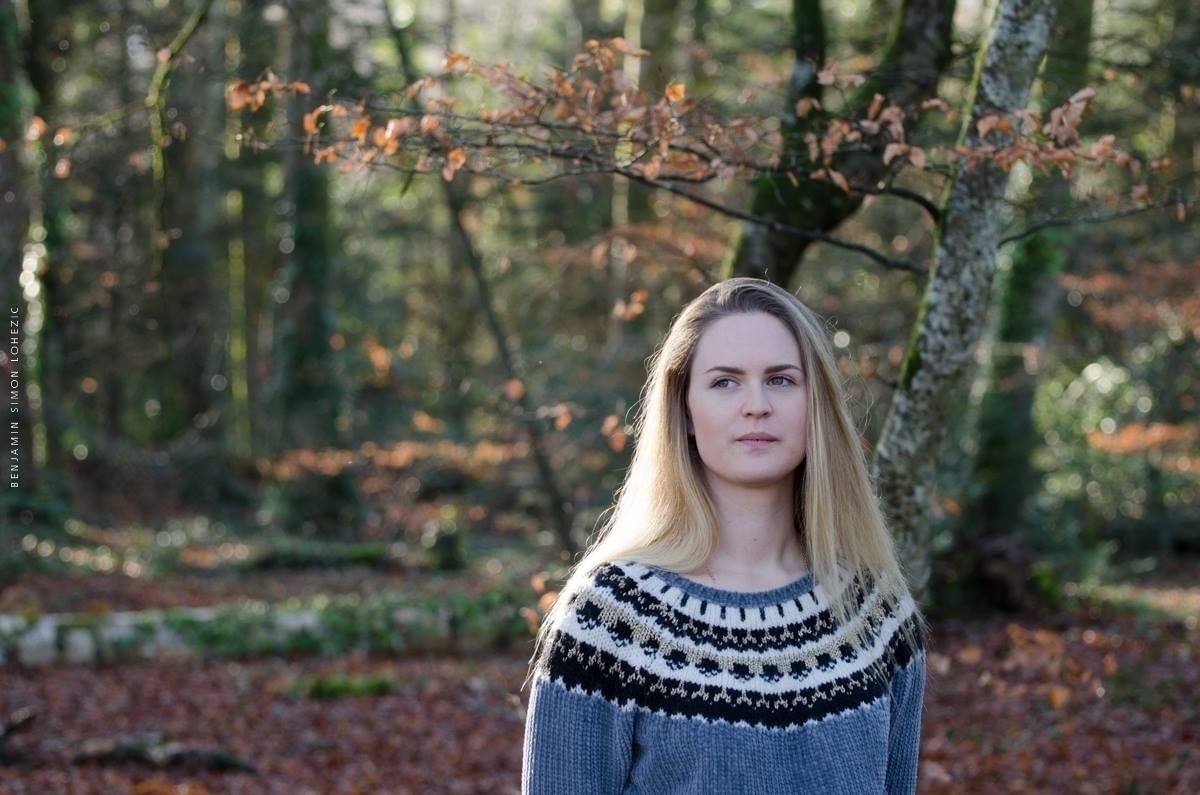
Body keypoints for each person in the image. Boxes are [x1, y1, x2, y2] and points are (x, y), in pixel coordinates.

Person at [522, 277, 926, 794]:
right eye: (725, 383)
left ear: (817, 403)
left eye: (781, 379)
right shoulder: (610, 618)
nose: (756, 404)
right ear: (685, 411)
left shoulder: (876, 611)